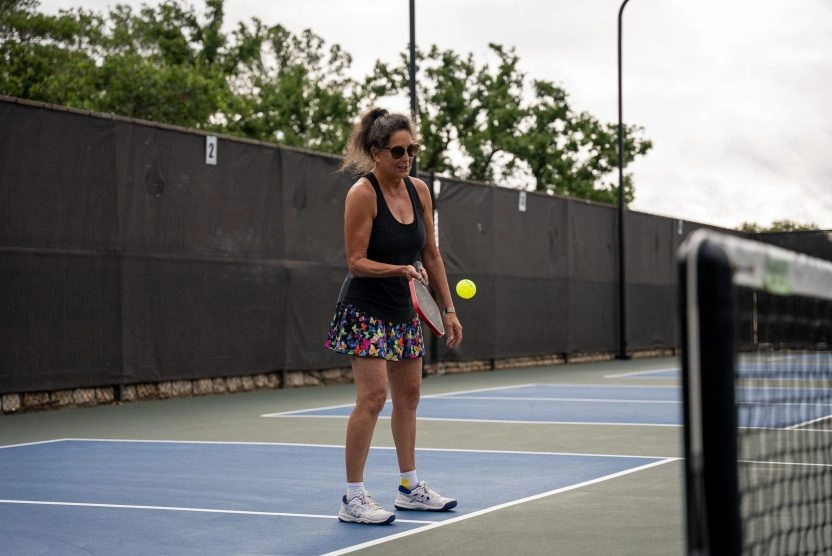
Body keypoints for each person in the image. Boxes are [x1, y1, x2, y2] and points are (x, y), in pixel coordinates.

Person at [325, 108, 463, 525]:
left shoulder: (420, 190)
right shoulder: (362, 195)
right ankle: (353, 497)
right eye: (398, 151)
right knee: (372, 398)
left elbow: (431, 255)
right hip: (366, 309)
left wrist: (448, 309)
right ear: (377, 152)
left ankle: (410, 488)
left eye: (412, 150)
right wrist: (399, 270)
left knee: (409, 398)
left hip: (405, 311)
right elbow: (355, 262)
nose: (407, 158)